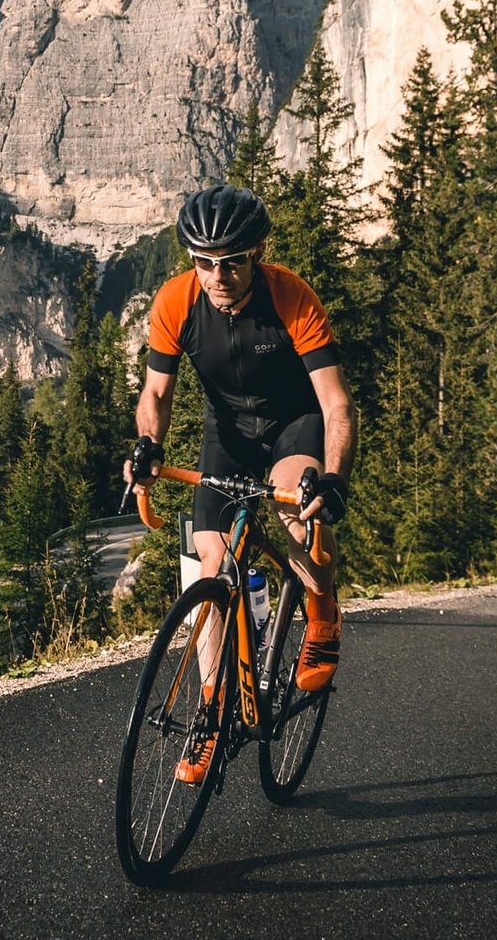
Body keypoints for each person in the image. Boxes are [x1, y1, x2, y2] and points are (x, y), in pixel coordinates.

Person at [125, 184, 354, 783]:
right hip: (225, 434)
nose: (218, 274)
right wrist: (149, 446)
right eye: (204, 262)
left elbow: (335, 406)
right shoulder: (176, 300)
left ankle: (322, 615)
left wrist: (331, 480)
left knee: (298, 515)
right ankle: (212, 710)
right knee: (212, 563)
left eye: (231, 261)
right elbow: (155, 393)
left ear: (256, 253)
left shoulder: (291, 297)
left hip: (293, 425)